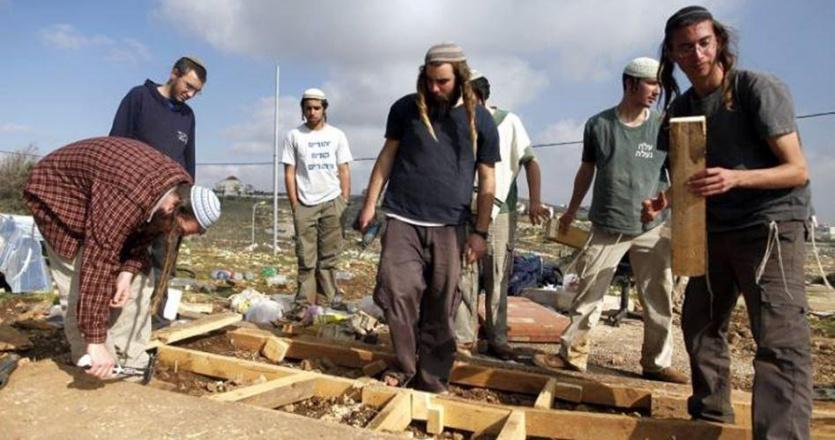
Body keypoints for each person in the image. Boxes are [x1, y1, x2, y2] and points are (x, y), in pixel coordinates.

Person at [642, 6, 813, 437]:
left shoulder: (756, 89)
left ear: (718, 42)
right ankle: (711, 416)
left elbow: (797, 170)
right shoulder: (681, 108)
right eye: (685, 47)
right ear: (672, 55)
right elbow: (691, 176)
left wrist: (736, 178)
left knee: (778, 339)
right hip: (714, 228)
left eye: (704, 43)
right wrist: (664, 200)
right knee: (699, 322)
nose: (697, 54)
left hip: (769, 226)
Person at [533, 57, 687, 384]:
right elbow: (586, 170)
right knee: (588, 294)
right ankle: (572, 356)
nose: (656, 91)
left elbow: (680, 174)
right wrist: (572, 210)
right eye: (651, 84)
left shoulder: (663, 126)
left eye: (659, 85)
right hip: (606, 223)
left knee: (658, 297)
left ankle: (657, 363)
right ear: (630, 84)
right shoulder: (598, 125)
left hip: (653, 227)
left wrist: (669, 208)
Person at [357, 42, 499, 392]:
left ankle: (432, 379)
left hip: (450, 226)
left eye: (443, 82)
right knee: (397, 291)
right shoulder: (405, 109)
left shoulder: (481, 120)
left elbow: (487, 179)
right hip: (402, 218)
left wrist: (480, 231)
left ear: (460, 78)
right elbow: (387, 157)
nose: (435, 88)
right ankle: (405, 366)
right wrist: (370, 203)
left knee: (441, 304)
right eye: (430, 80)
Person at [23, 137, 221, 380]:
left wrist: (126, 273)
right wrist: (95, 341)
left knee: (139, 281)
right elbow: (97, 263)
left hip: (107, 199)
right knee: (81, 280)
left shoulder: (177, 190)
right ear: (173, 207)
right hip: (60, 197)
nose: (174, 235)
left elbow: (147, 232)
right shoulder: (127, 196)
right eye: (179, 229)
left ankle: (131, 365)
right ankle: (93, 362)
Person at [453, 71, 549, 360]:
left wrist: (535, 201)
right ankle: (463, 338)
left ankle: (497, 338)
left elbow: (530, 162)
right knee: (465, 273)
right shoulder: (458, 123)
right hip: (465, 208)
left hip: (501, 209)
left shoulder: (508, 122)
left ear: (479, 98)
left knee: (497, 274)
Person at [109, 56, 207, 317]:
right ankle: (117, 314)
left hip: (171, 202)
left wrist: (186, 198)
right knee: (126, 255)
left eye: (196, 91)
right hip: (134, 199)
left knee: (163, 260)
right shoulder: (139, 97)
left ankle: (154, 317)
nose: (190, 94)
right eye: (188, 86)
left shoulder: (187, 116)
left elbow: (188, 161)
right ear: (174, 73)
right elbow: (115, 144)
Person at [282, 88, 352, 307]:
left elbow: (344, 169)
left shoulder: (337, 135)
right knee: (306, 258)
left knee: (329, 258)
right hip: (305, 203)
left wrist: (344, 200)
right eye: (308, 108)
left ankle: (326, 303)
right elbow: (289, 172)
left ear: (324, 109)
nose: (312, 112)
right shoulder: (294, 136)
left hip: (332, 202)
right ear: (302, 110)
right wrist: (295, 204)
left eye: (316, 108)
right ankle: (304, 304)